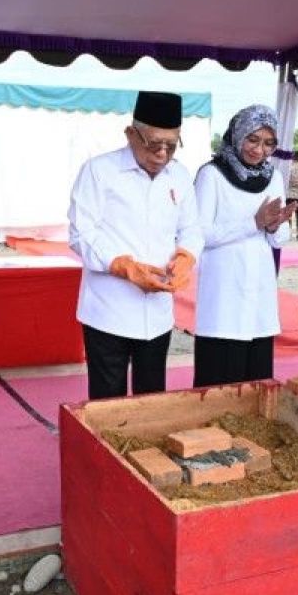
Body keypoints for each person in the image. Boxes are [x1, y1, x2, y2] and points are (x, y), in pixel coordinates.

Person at [68, 91, 203, 399]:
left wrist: (186, 256)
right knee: (107, 401)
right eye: (154, 144)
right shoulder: (99, 171)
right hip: (108, 309)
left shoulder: (179, 175)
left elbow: (192, 228)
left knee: (152, 398)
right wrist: (123, 265)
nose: (162, 154)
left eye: (171, 145)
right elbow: (81, 233)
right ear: (131, 134)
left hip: (157, 313)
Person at [192, 105, 295, 387]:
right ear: (238, 135)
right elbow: (199, 234)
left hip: (259, 293)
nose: (259, 150)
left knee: (256, 384)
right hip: (222, 295)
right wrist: (254, 223)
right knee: (219, 385)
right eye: (253, 139)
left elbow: (279, 238)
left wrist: (275, 225)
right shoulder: (211, 174)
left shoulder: (272, 177)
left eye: (268, 143)